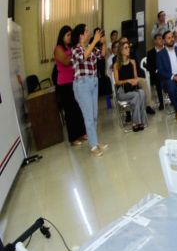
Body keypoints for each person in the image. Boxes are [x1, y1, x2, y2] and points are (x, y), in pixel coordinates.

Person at [71, 24, 109, 156]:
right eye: (86, 31)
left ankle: (95, 141)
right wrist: (95, 41)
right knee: (88, 116)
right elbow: (83, 57)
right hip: (82, 84)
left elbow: (102, 55)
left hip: (93, 82)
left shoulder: (90, 46)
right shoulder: (75, 49)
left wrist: (103, 43)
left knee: (94, 115)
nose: (89, 33)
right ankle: (93, 146)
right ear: (81, 35)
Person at [53, 25, 87, 147]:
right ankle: (73, 138)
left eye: (71, 35)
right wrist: (75, 51)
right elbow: (66, 62)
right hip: (64, 84)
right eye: (67, 35)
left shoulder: (71, 47)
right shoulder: (58, 48)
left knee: (78, 108)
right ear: (62, 36)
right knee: (70, 111)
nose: (69, 37)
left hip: (75, 81)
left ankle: (82, 132)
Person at [113, 41, 147, 132]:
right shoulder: (116, 65)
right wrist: (127, 81)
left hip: (132, 88)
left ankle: (139, 121)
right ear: (121, 51)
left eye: (128, 47)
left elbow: (135, 77)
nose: (128, 49)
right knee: (136, 95)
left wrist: (135, 81)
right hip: (122, 91)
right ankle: (136, 122)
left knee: (141, 93)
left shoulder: (132, 62)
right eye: (126, 48)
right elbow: (117, 82)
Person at [146, 33, 165, 110]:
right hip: (156, 74)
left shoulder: (167, 49)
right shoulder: (150, 53)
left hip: (168, 72)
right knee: (158, 78)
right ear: (155, 41)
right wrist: (157, 70)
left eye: (162, 38)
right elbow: (149, 67)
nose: (162, 40)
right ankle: (161, 102)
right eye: (159, 38)